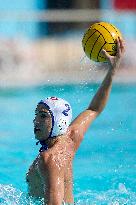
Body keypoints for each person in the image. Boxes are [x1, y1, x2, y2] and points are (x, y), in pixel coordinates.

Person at [26, 37, 125, 205]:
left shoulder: (49, 159)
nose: (36, 121)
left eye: (43, 116)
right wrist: (112, 72)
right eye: (36, 115)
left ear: (58, 121)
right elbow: (94, 109)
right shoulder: (70, 139)